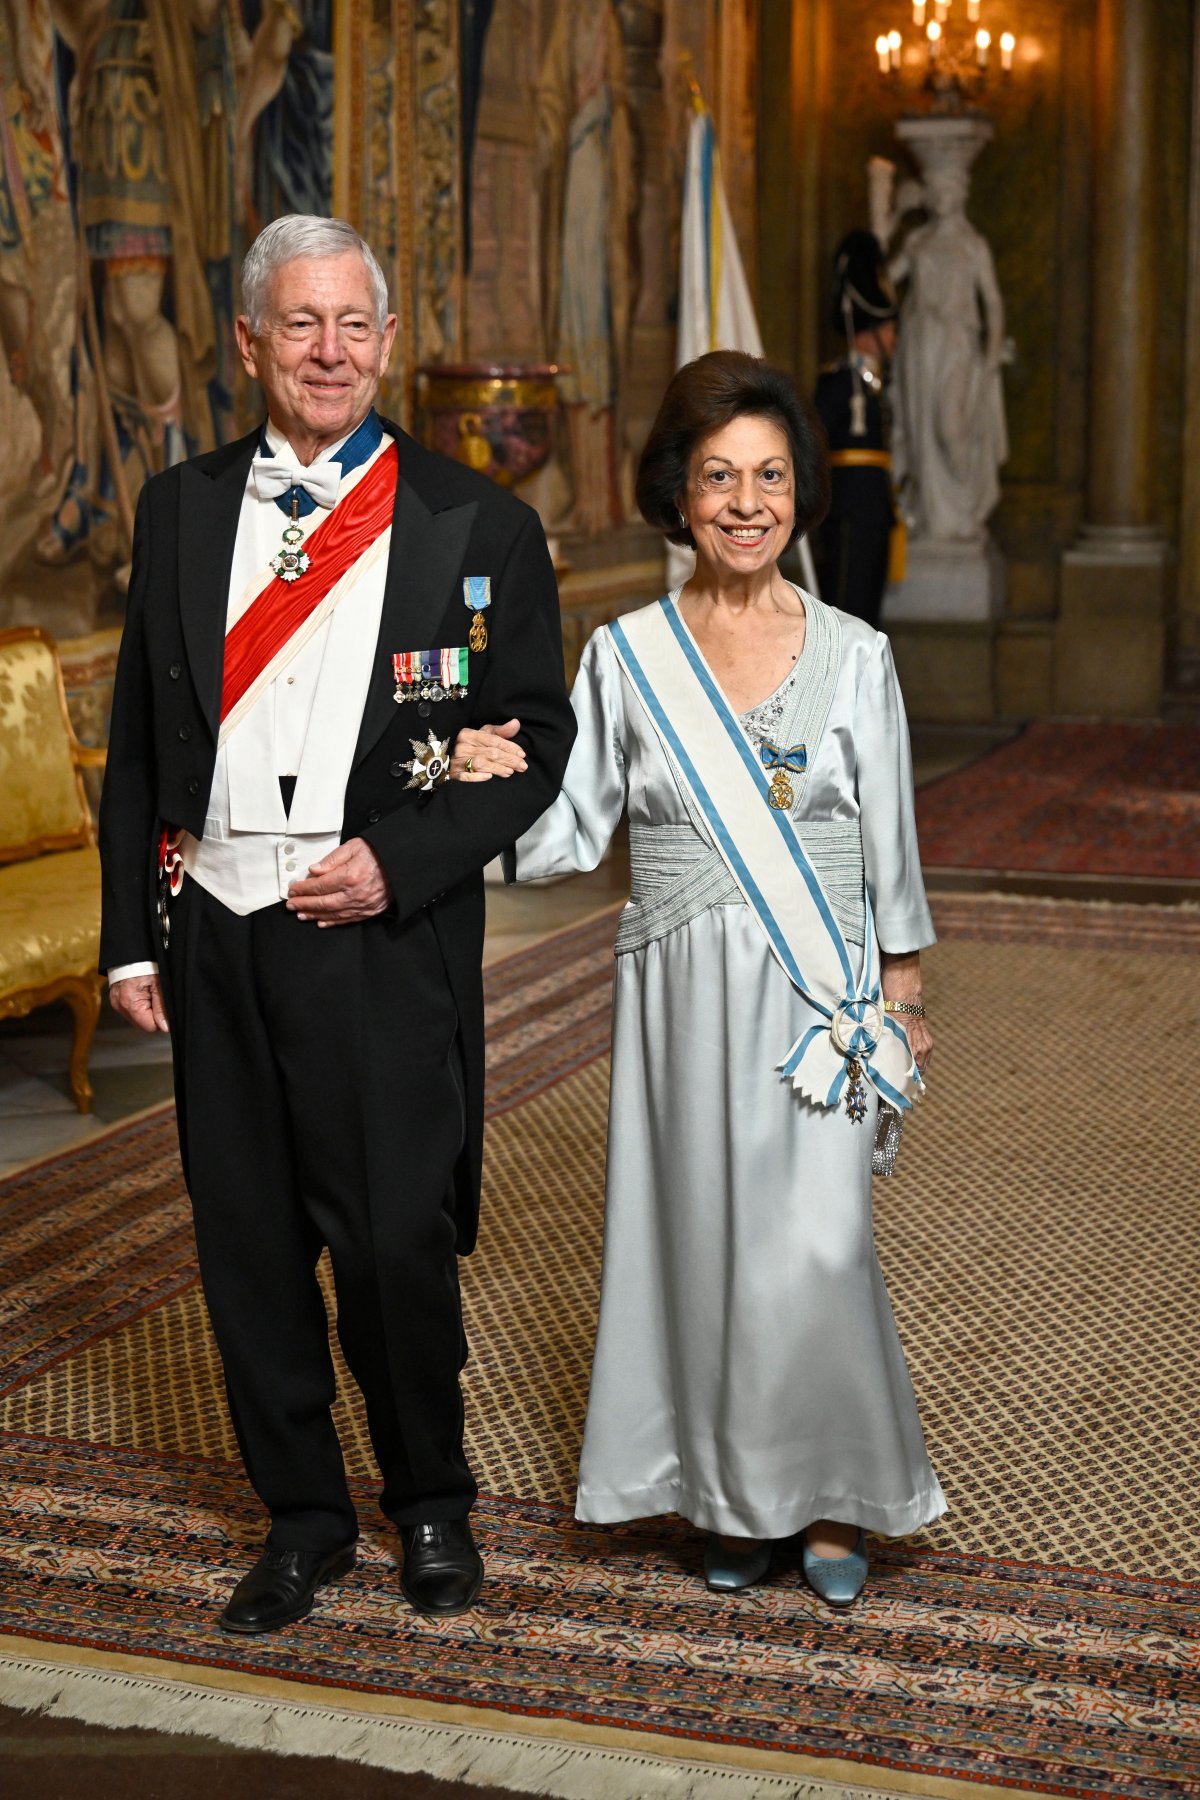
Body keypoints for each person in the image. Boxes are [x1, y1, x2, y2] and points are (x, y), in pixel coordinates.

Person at [98, 214, 576, 1633]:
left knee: (389, 1241)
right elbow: (139, 744)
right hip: (219, 926)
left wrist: (400, 863)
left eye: (353, 324)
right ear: (250, 342)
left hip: (373, 935)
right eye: (300, 325)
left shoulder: (476, 523)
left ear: (387, 338)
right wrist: (132, 936)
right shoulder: (180, 510)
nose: (330, 352)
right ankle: (302, 1515)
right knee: (246, 1244)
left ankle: (430, 1500)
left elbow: (533, 741)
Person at [456, 350, 944, 1608]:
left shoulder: (856, 654)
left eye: (770, 476)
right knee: (703, 1238)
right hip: (678, 994)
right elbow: (568, 832)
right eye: (720, 476)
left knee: (820, 1248)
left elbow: (889, 840)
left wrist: (901, 994)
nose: (746, 503)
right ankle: (731, 1496)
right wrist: (476, 787)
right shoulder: (627, 657)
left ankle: (832, 1493)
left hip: (819, 994)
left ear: (799, 491)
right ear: (678, 492)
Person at [812, 229, 900, 630]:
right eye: (889, 329)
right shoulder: (837, 382)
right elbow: (814, 442)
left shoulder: (875, 386)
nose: (894, 339)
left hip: (875, 510)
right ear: (870, 332)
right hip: (848, 512)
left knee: (868, 617)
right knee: (847, 614)